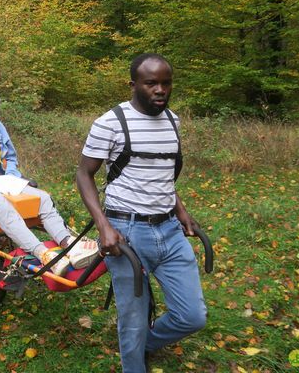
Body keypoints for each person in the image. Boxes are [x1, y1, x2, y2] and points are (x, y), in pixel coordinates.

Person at [75, 54, 207, 372]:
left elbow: (159, 174)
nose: (160, 89)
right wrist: (103, 225)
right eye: (151, 83)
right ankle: (134, 358)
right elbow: (83, 175)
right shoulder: (110, 123)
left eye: (165, 83)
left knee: (192, 315)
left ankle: (145, 344)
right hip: (126, 233)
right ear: (134, 85)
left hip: (170, 231)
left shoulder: (173, 121)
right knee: (132, 322)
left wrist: (182, 210)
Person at [0, 81, 99, 275]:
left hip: (2, 180)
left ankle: (70, 245)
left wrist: (13, 178)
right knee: (0, 204)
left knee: (42, 198)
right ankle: (44, 254)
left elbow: (10, 157)